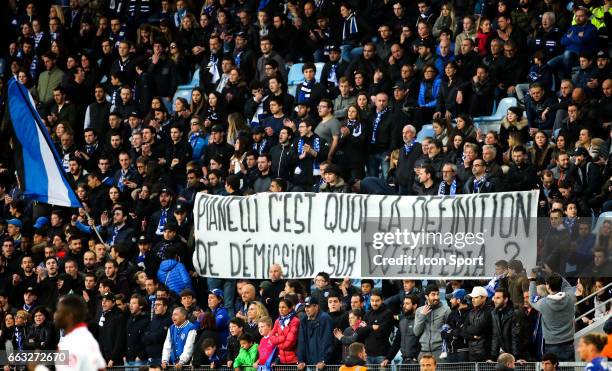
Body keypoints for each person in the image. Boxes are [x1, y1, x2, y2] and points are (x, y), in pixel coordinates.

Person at [528, 273, 576, 361]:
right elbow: (567, 286)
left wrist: (532, 280)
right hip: (569, 343)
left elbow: (532, 298)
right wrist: (557, 275)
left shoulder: (543, 303)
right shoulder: (571, 298)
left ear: (547, 286)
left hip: (551, 345)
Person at [54, 295, 106, 371]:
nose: (55, 315)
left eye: (59, 311)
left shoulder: (72, 343)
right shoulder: (86, 337)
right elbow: (101, 368)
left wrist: (38, 368)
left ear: (69, 316)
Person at [414, 284, 451, 360]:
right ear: (426, 296)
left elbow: (449, 331)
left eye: (437, 294)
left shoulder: (446, 310)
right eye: (433, 295)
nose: (436, 297)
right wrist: (422, 315)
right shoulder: (419, 311)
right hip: (423, 352)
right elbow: (416, 332)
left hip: (440, 352)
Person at [297, 296, 334, 369]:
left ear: (316, 307)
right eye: (305, 307)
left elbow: (327, 341)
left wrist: (324, 360)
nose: (306, 309)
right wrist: (301, 360)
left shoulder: (325, 318)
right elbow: (301, 342)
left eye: (309, 307)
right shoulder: (304, 320)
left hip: (322, 365)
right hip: (308, 365)